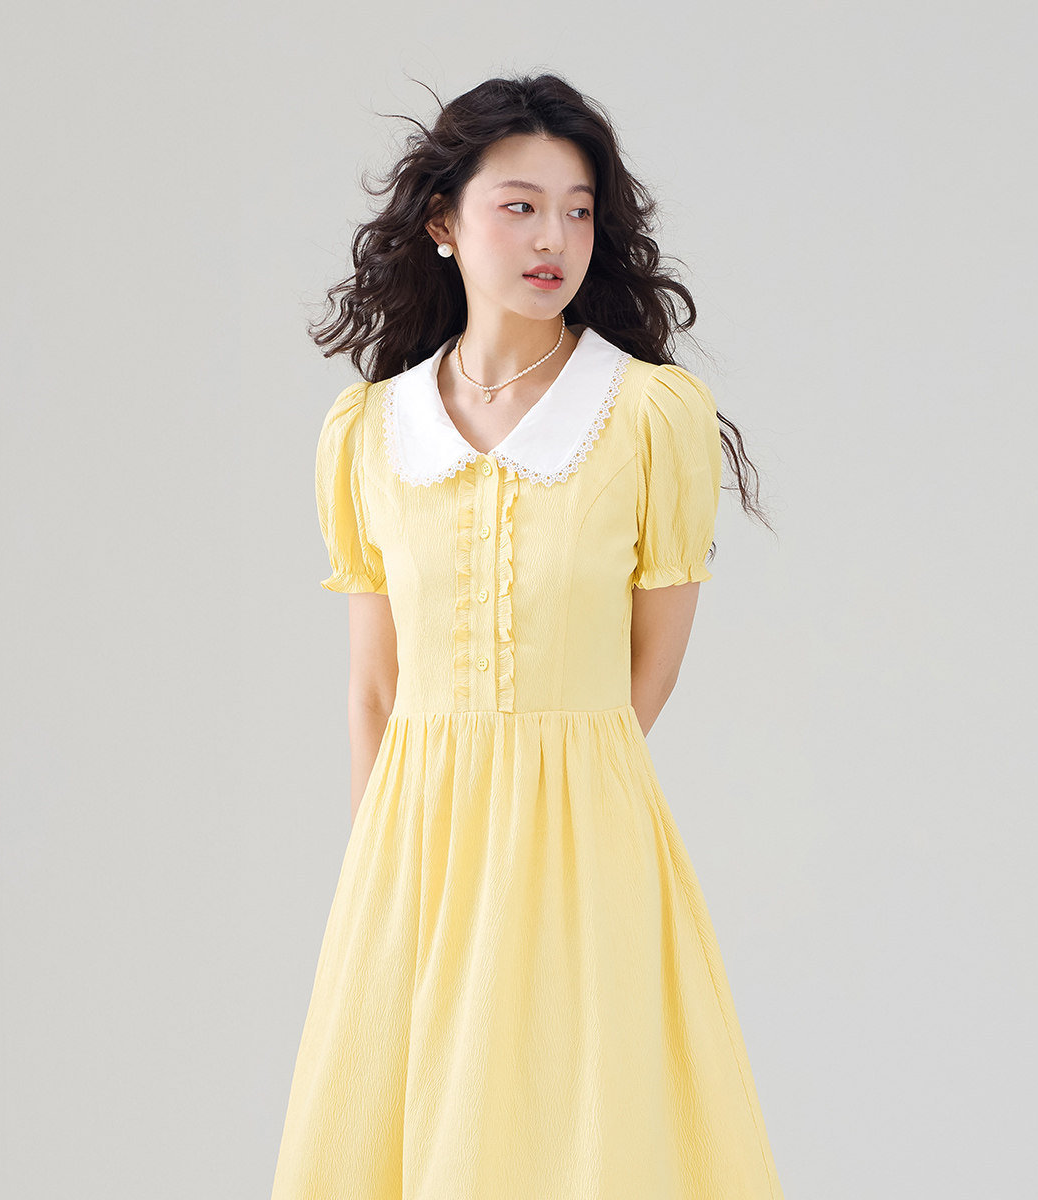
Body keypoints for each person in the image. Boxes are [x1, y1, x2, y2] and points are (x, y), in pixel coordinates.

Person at [270, 72, 785, 1199]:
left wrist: (554, 783)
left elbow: (652, 665)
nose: (555, 237)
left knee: (583, 1135)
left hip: (586, 832)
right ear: (444, 224)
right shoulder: (368, 432)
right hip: (415, 840)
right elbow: (373, 689)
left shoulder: (647, 415)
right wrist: (380, 869)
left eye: (579, 209)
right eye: (520, 206)